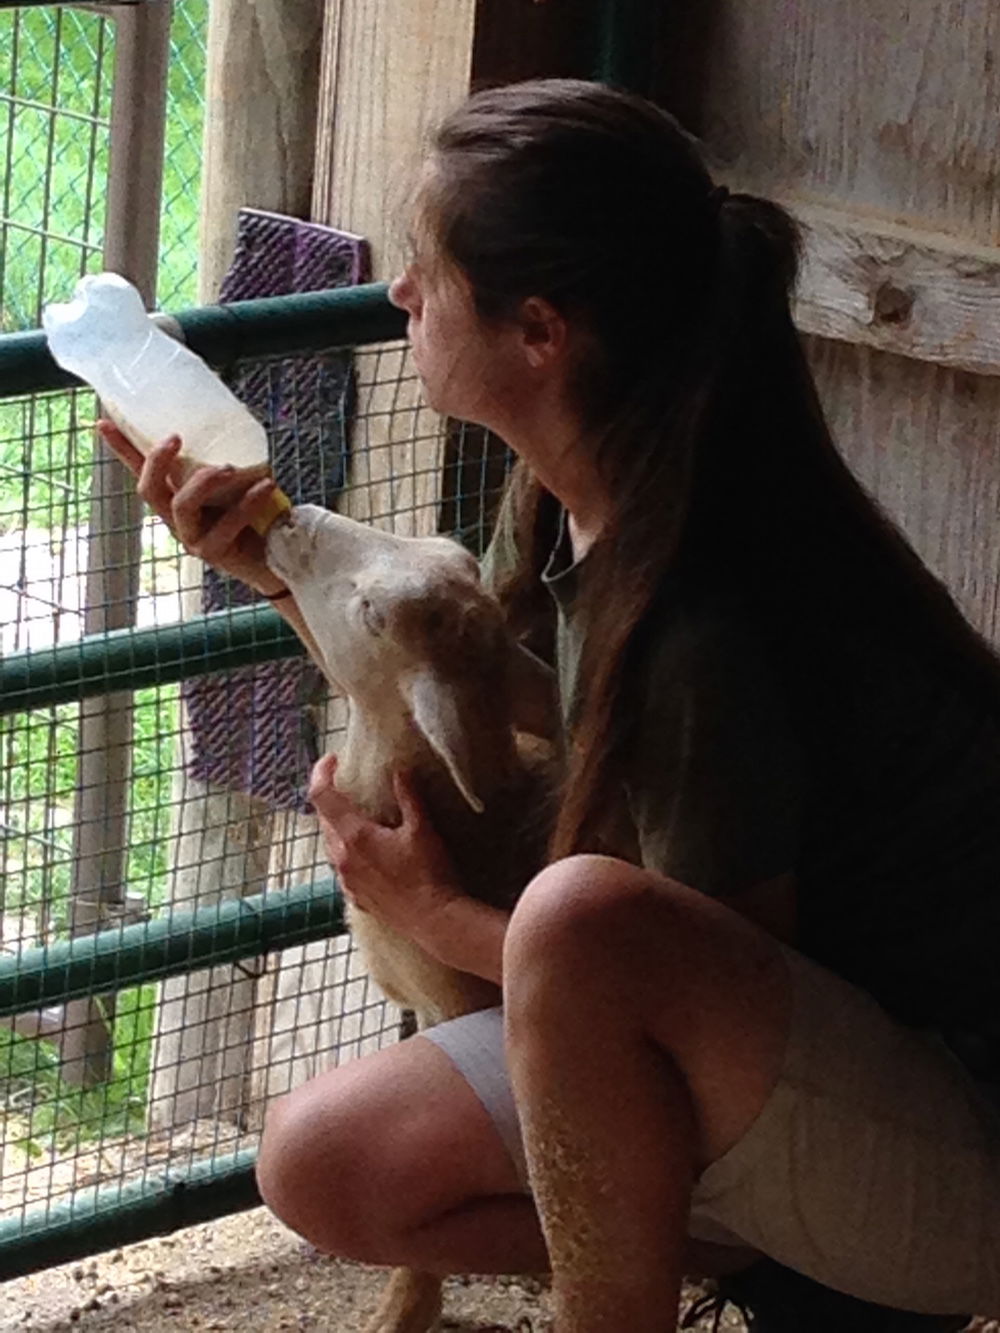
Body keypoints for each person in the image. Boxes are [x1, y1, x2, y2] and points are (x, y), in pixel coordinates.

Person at [102, 79, 1000, 1333]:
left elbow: (664, 969)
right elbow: (520, 711)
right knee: (323, 1163)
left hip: (955, 1141)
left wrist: (436, 914)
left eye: (427, 268)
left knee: (576, 915)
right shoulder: (591, 492)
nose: (401, 294)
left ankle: (787, 1283)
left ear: (539, 330)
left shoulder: (703, 611)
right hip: (811, 1062)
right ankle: (766, 1258)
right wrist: (270, 561)